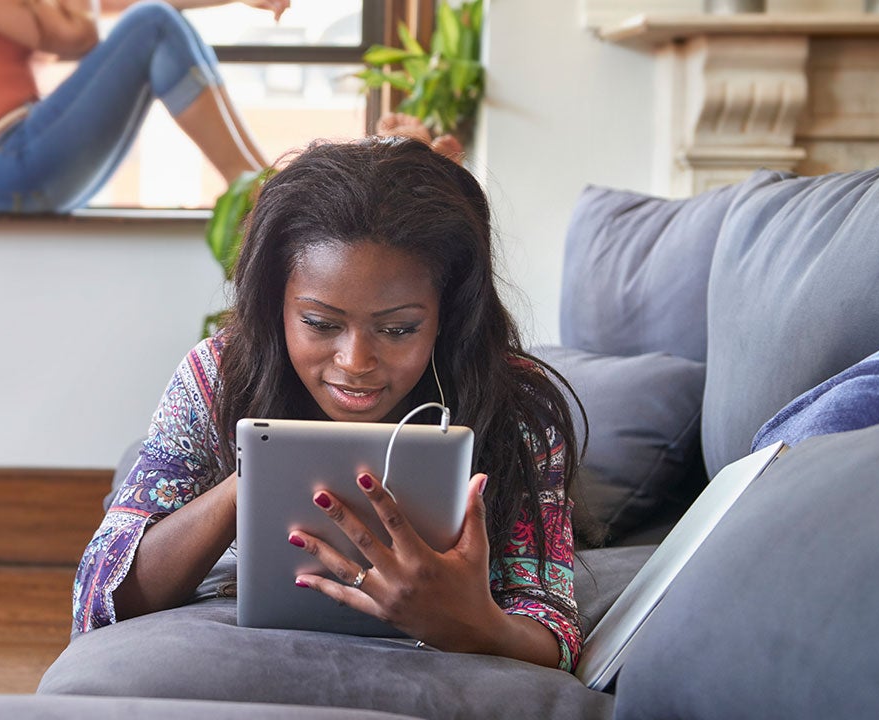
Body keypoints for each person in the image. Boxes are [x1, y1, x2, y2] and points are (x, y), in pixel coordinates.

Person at [73, 137, 586, 671]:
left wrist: (471, 623)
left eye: (397, 328)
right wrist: (257, 477)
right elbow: (98, 598)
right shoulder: (217, 377)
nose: (355, 361)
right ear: (276, 306)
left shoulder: (515, 409)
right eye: (320, 323)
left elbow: (556, 634)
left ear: (449, 317)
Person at [0, 0, 286, 213]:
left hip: (20, 163)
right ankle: (250, 188)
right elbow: (80, 37)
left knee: (166, 24)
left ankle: (267, 183)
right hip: (5, 161)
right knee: (153, 24)